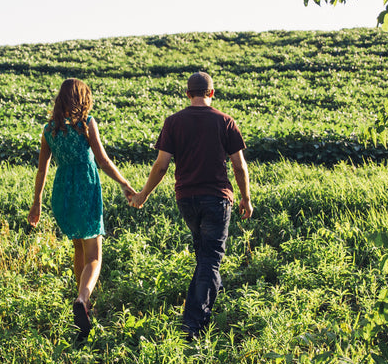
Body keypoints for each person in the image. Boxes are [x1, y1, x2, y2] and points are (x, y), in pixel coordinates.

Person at [128, 71, 252, 339]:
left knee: (205, 257)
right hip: (217, 199)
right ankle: (193, 324)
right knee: (210, 259)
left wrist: (144, 194)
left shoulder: (173, 122)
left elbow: (161, 166)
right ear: (212, 93)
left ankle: (208, 300)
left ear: (187, 94)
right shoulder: (225, 121)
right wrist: (246, 197)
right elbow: (239, 166)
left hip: (186, 200)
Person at [28, 78, 136, 340]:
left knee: (79, 247)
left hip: (63, 193)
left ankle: (82, 303)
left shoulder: (49, 129)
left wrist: (37, 202)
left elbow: (42, 170)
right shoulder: (85, 124)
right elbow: (102, 160)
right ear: (82, 98)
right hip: (85, 189)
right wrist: (124, 183)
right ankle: (83, 299)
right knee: (94, 256)